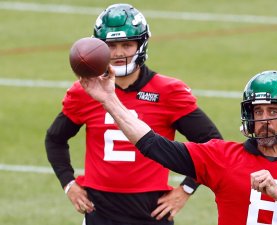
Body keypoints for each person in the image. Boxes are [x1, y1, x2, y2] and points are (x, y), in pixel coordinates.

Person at [79, 68, 277, 225]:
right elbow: (152, 144)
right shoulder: (221, 156)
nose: (263, 120)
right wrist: (109, 100)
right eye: (257, 111)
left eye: (273, 111)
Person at [45, 3, 222, 225]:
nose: (119, 53)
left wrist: (186, 189)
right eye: (111, 45)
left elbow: (213, 144)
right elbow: (55, 138)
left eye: (127, 45)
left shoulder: (168, 92)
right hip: (100, 211)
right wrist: (69, 184)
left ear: (141, 44)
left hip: (150, 211)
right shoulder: (84, 91)